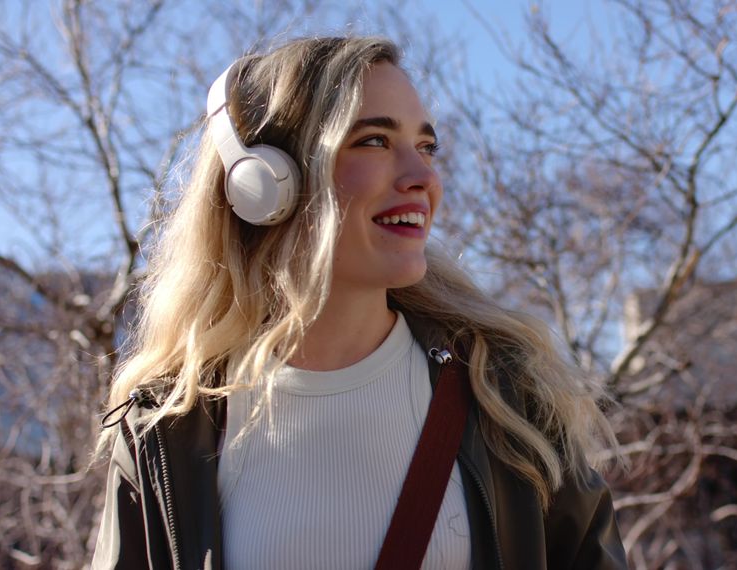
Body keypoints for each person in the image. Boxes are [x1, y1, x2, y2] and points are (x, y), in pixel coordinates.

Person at [92, 36, 626, 569]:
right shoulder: (166, 429)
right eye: (374, 141)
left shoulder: (506, 398)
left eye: (427, 147)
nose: (423, 179)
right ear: (265, 183)